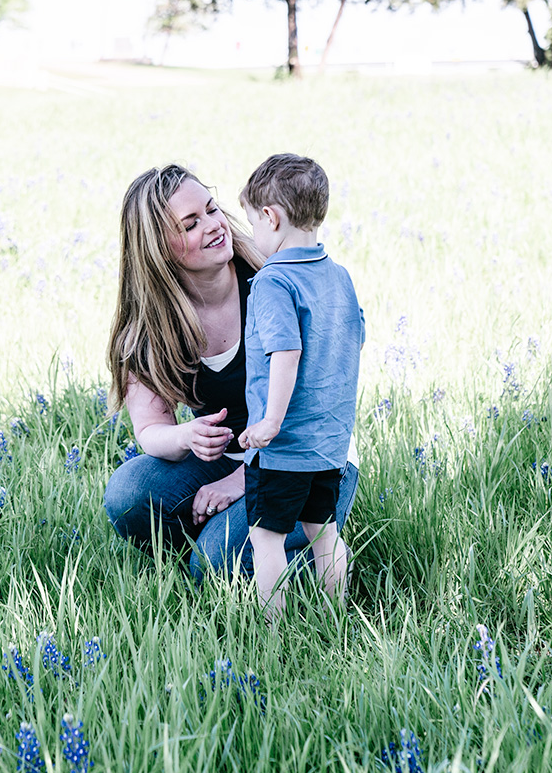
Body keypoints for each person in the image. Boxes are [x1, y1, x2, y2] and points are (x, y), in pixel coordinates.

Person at [102, 163, 358, 580]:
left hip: (307, 457)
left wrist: (240, 482)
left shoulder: (273, 283)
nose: (214, 225)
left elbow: (311, 405)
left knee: (217, 561)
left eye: (211, 208)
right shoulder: (151, 325)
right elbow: (151, 431)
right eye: (190, 224)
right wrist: (187, 435)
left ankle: (320, 553)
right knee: (129, 494)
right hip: (237, 454)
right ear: (158, 248)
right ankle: (215, 558)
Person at [237, 152, 364, 617]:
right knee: (324, 532)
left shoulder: (273, 282)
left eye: (253, 223)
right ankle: (336, 617)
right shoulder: (339, 278)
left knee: (266, 538)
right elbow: (350, 345)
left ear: (271, 217)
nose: (252, 234)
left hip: (283, 447)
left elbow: (286, 355)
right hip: (330, 442)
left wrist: (270, 422)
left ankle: (273, 630)